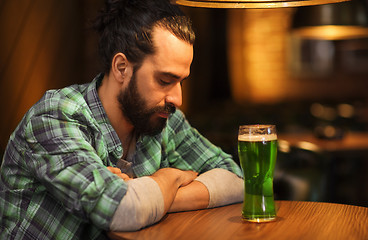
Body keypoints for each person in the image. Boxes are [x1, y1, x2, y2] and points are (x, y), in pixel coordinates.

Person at [0, 0, 244, 239]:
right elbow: (123, 209)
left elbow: (236, 179)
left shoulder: (164, 118)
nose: (177, 98)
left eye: (181, 81)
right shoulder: (55, 115)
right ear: (121, 68)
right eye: (164, 80)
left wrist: (149, 195)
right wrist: (169, 177)